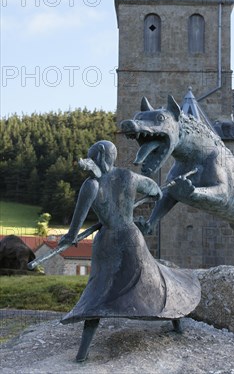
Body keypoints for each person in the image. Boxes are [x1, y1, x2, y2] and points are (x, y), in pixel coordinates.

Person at [59, 140, 200, 362]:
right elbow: (156, 193)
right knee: (153, 280)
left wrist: (69, 239)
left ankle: (82, 354)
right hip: (132, 237)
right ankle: (176, 321)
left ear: (100, 157)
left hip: (108, 242)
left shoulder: (91, 185)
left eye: (92, 155)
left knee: (99, 292)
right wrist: (135, 203)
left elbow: (75, 227)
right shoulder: (129, 177)